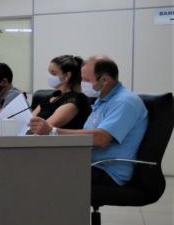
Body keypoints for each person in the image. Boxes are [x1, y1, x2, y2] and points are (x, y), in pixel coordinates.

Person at [29, 56, 148, 187]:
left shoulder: (125, 102)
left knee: (43, 176)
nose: (82, 84)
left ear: (104, 80)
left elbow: (101, 138)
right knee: (37, 165)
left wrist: (53, 131)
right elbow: (86, 135)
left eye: (86, 80)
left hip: (106, 171)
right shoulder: (101, 101)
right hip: (88, 164)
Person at [31, 55, 91, 130]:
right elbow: (29, 120)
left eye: (53, 73)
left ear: (67, 75)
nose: (49, 76)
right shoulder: (52, 96)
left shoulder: (74, 101)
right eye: (49, 72)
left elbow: (43, 129)